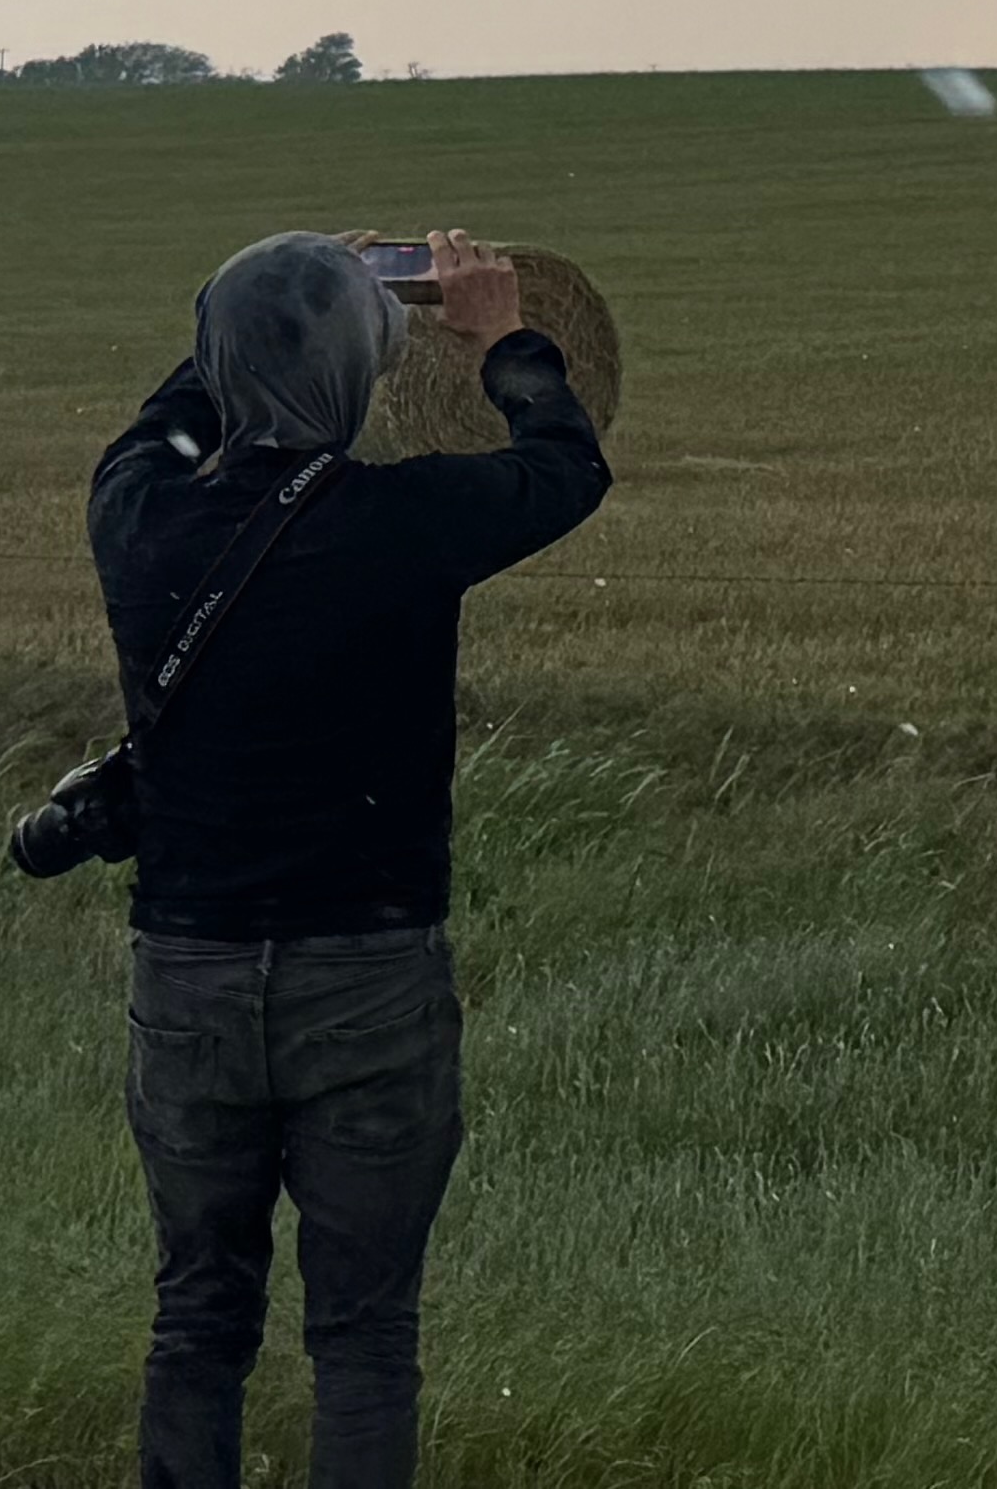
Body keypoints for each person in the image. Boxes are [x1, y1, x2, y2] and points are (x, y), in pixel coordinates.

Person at [88, 226, 609, 1489]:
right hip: (368, 974)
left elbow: (175, 409)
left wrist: (264, 293)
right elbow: (565, 465)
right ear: (362, 371)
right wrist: (503, 336)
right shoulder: (402, 522)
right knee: (365, 1339)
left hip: (190, 974)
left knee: (197, 1318)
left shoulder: (136, 516)